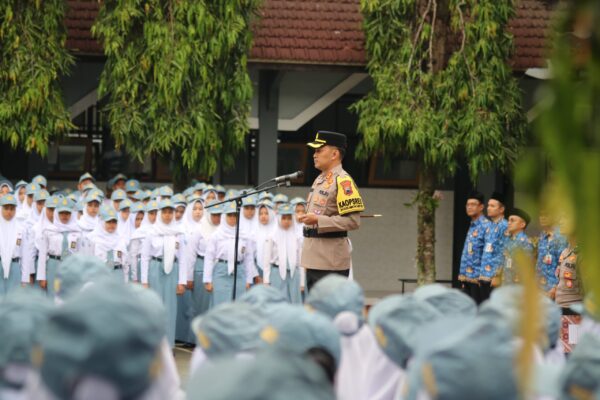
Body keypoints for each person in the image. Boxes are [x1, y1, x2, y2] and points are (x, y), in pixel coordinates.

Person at [299, 131, 364, 290]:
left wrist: (318, 220)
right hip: (313, 257)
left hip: (330, 261)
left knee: (328, 310)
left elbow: (353, 221)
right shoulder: (320, 179)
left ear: (334, 153)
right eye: (315, 151)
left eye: (319, 150)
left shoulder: (343, 181)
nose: (314, 155)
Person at [140, 198, 187, 348]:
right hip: (155, 267)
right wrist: (144, 281)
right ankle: (153, 345)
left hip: (172, 270)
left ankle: (168, 345)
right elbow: (145, 257)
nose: (167, 215)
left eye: (170, 212)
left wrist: (182, 281)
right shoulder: (152, 232)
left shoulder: (178, 233)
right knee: (154, 307)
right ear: (160, 214)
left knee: (170, 309)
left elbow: (183, 259)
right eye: (164, 212)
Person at [203, 201, 257, 306]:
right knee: (220, 304)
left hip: (240, 272)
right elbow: (209, 257)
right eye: (229, 215)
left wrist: (249, 279)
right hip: (221, 271)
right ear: (224, 216)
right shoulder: (217, 235)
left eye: (235, 215)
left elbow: (248, 258)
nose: (232, 218)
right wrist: (207, 279)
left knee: (239, 305)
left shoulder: (244, 235)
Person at [36, 198, 82, 297]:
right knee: (53, 295)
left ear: (71, 214)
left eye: (67, 213)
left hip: (71, 266)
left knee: (69, 295)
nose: (64, 216)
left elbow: (80, 255)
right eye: (62, 213)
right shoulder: (48, 230)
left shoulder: (77, 232)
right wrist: (42, 277)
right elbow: (42, 254)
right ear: (57, 213)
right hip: (53, 264)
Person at [263, 203, 304, 303]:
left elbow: (301, 261)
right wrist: (266, 280)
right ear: (279, 218)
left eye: (289, 218)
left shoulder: (297, 235)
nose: (286, 221)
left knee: (295, 303)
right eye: (284, 218)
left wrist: (302, 282)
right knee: (278, 302)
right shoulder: (272, 235)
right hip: (277, 274)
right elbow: (266, 260)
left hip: (294, 274)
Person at [457, 191, 489, 303]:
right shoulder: (472, 225)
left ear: (481, 207)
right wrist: (463, 276)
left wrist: (483, 277)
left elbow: (488, 253)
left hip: (478, 279)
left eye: (473, 204)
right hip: (467, 278)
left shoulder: (486, 226)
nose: (469, 207)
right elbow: (468, 252)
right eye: (467, 204)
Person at [86, 205, 129, 282]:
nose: (112, 225)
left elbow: (125, 264)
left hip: (118, 275)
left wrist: (126, 282)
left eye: (114, 222)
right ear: (102, 222)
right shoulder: (93, 240)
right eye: (108, 222)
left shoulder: (120, 240)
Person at [478, 192, 508, 301]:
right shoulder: (489, 226)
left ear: (501, 209)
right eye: (488, 205)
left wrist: (497, 275)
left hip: (494, 277)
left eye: (492, 206)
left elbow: (505, 252)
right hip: (484, 275)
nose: (488, 208)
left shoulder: (504, 226)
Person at [495, 208, 534, 286]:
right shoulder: (508, 240)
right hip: (505, 282)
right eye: (508, 220)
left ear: (522, 224)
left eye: (512, 220)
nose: (509, 223)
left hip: (518, 285)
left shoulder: (525, 242)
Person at [535, 210, 568, 299]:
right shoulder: (542, 235)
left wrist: (556, 286)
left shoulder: (562, 236)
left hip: (555, 289)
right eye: (541, 215)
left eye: (546, 215)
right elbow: (540, 262)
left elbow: (564, 265)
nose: (543, 217)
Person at [0, 194, 27, 296]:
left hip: (15, 266)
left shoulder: (21, 228)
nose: (9, 212)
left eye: (12, 209)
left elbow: (25, 254)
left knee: (13, 301)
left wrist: (24, 278)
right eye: (6, 208)